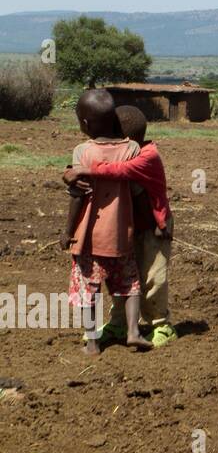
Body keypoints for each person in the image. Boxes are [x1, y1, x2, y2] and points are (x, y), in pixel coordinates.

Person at [66, 105, 176, 348]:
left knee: (153, 278)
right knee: (125, 277)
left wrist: (84, 169)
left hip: (155, 225)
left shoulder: (146, 156)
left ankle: (161, 325)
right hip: (129, 226)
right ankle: (120, 323)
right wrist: (70, 171)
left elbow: (118, 170)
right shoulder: (126, 151)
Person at [60, 89, 149, 354]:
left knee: (89, 290)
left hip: (88, 238)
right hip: (122, 235)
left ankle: (92, 342)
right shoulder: (132, 149)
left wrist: (67, 231)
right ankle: (133, 332)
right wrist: (150, 222)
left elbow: (78, 196)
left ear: (85, 124)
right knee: (131, 284)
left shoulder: (82, 153)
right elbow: (138, 191)